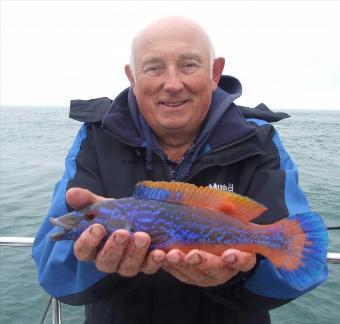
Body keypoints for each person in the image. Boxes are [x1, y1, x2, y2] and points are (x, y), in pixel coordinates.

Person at [32, 16, 328, 324]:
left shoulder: (259, 139)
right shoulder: (95, 138)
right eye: (153, 67)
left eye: (188, 64)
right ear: (132, 77)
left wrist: (240, 274)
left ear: (214, 72)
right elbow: (53, 270)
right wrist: (100, 262)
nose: (172, 84)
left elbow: (306, 269)